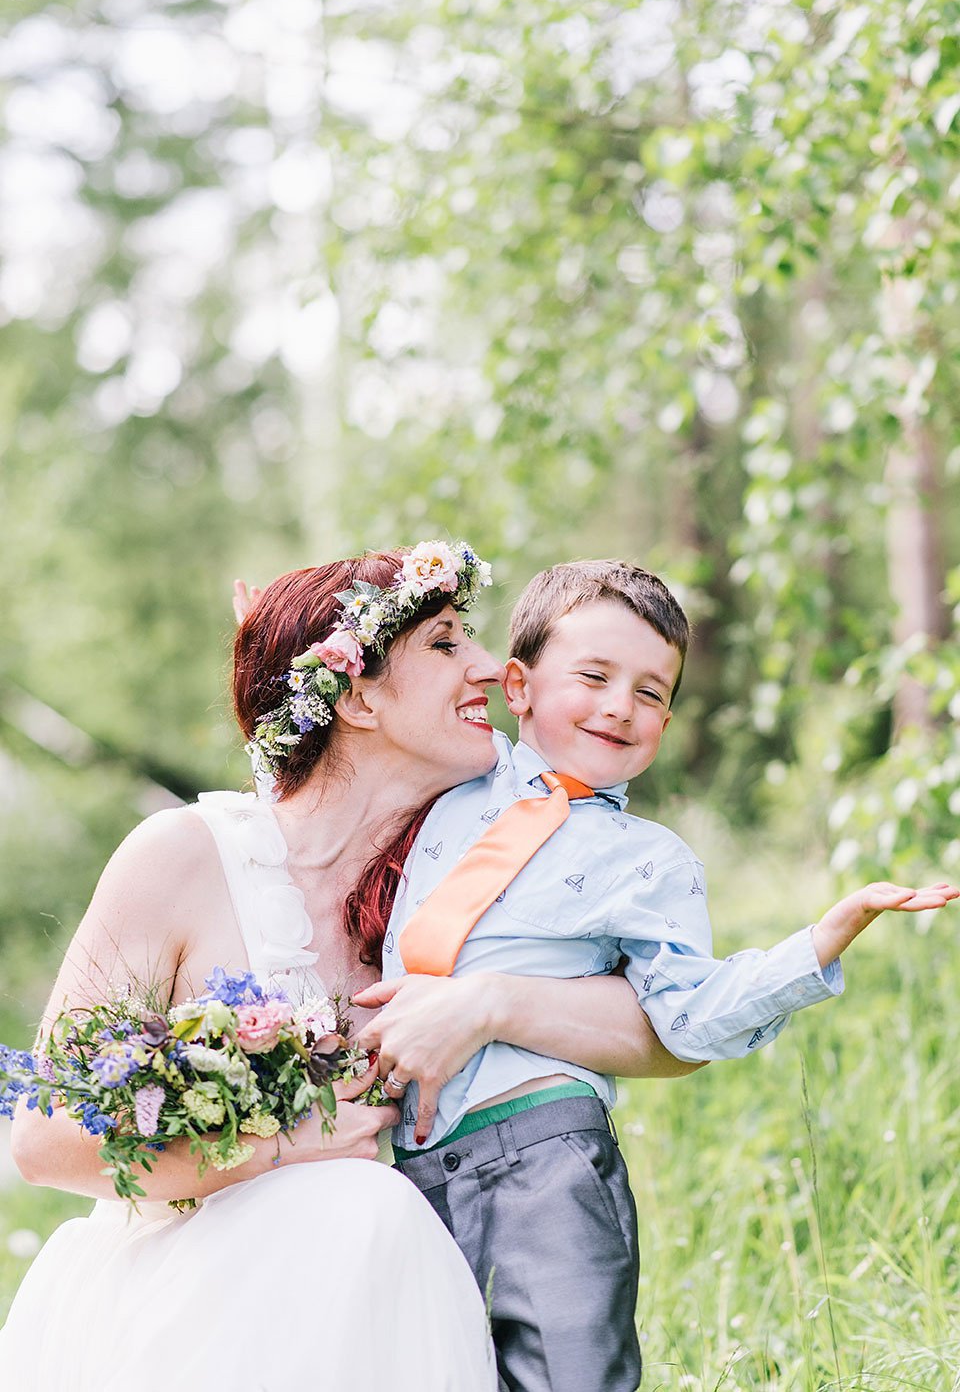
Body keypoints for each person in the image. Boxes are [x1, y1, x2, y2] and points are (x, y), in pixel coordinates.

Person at [0, 543, 689, 1391]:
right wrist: (280, 1148)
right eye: (445, 643)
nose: (483, 667)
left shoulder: (454, 887)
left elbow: (667, 1026)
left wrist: (491, 1002)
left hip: (381, 1314)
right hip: (192, 1309)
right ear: (357, 694)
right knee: (362, 1204)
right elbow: (41, 1139)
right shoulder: (185, 856)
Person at [365, 559, 959, 1392]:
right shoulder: (449, 780)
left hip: (546, 1157)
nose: (620, 706)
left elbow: (687, 1013)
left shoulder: (650, 863)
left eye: (650, 693)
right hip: (414, 1165)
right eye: (596, 676)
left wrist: (819, 942)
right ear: (518, 685)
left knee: (568, 1375)